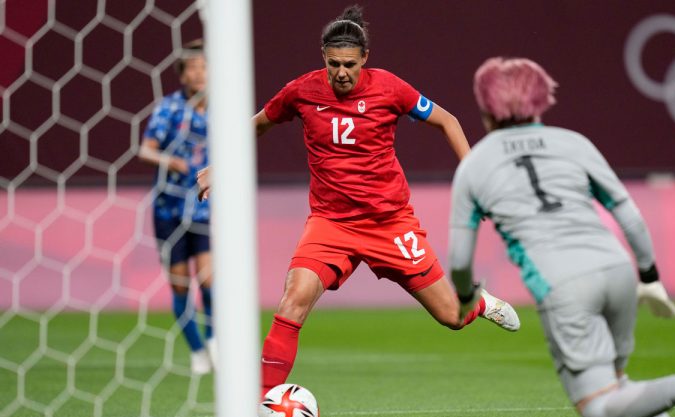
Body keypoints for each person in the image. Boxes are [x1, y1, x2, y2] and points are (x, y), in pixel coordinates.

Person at [197, 5, 520, 395]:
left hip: (390, 223)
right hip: (330, 224)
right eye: (334, 64)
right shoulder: (301, 91)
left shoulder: (390, 88)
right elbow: (260, 123)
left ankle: (479, 303)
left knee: (452, 316)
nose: (342, 73)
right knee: (293, 300)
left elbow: (447, 121)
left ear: (365, 58)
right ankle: (261, 406)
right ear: (323, 57)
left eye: (350, 64)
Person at [449, 57, 675, 417]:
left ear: (486, 108)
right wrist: (649, 275)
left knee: (598, 410)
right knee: (619, 388)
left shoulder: (474, 165)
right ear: (541, 99)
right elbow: (627, 212)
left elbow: (459, 259)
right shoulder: (574, 143)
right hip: (616, 269)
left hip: (564, 285)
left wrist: (467, 296)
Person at [139, 40, 216, 375]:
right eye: (193, 67)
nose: (199, 72)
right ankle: (197, 350)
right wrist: (168, 160)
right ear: (182, 75)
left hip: (204, 210)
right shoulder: (169, 109)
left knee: (212, 281)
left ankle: (214, 341)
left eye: (204, 66)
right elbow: (146, 150)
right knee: (181, 286)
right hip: (169, 209)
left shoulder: (222, 109)